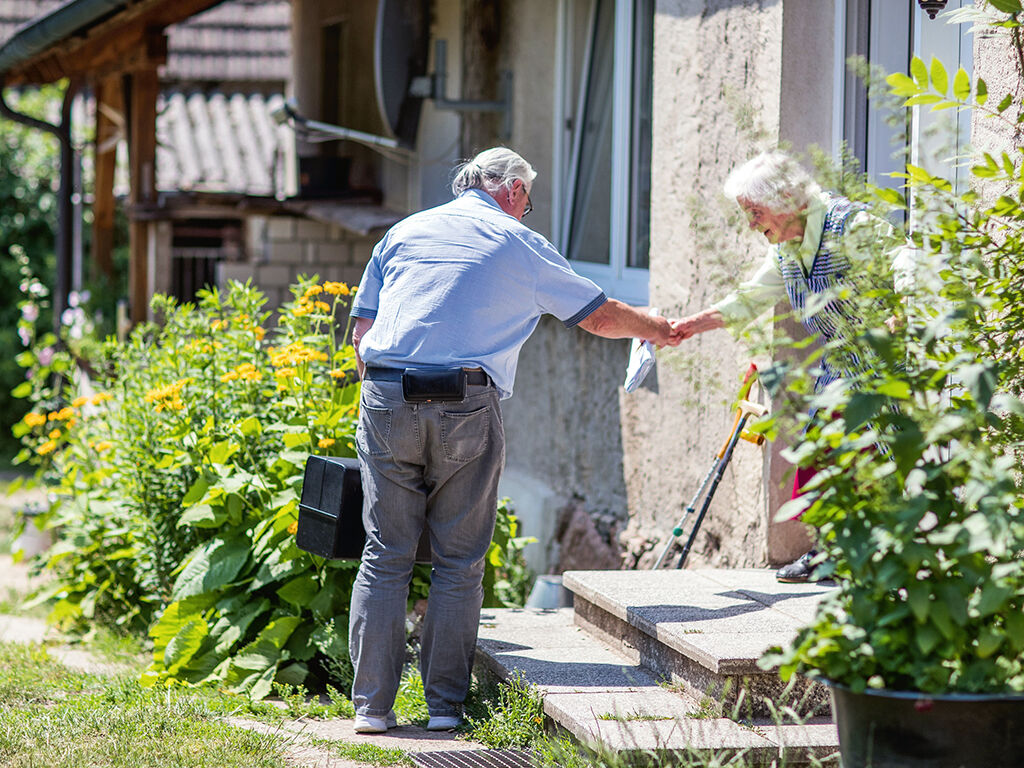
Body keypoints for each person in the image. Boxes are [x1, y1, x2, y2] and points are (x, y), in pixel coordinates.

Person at [346, 147, 681, 734]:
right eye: (528, 197)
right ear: (511, 190)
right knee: (458, 561)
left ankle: (372, 709)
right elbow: (596, 316)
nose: (528, 209)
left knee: (384, 556)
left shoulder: (404, 231)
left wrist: (389, 391)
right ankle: (444, 709)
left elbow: (364, 328)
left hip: (385, 394)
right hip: (465, 403)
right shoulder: (517, 242)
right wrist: (658, 329)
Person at [672, 150, 906, 583]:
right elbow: (748, 299)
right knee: (818, 458)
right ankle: (835, 552)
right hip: (845, 370)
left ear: (785, 200)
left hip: (890, 368)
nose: (751, 225)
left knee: (874, 461)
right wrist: (688, 326)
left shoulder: (852, 226)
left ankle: (879, 564)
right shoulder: (786, 252)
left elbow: (906, 266)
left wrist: (897, 317)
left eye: (755, 212)